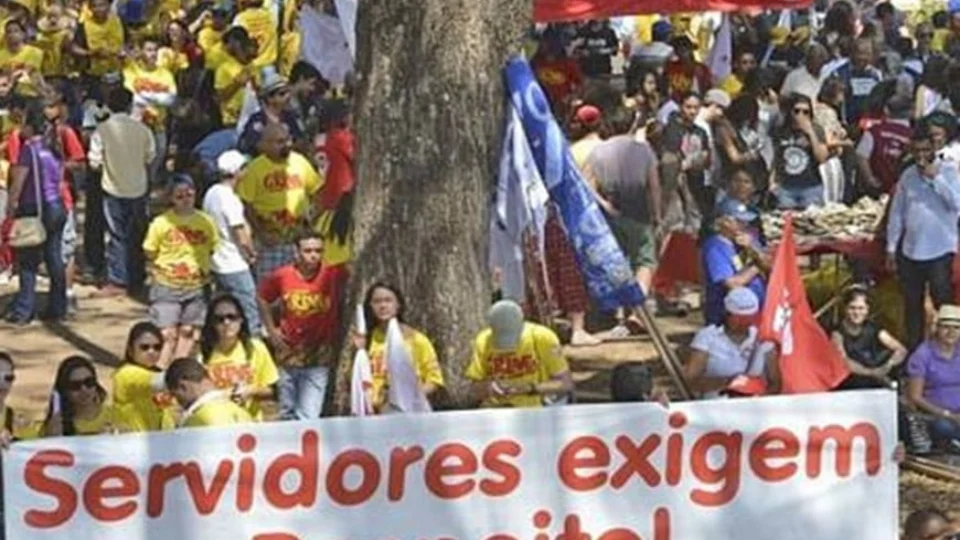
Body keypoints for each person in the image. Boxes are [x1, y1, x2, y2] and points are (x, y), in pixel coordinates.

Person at [583, 106, 661, 333]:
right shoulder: (644, 150)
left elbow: (586, 185)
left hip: (609, 215)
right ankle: (638, 311)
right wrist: (657, 215)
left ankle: (617, 314)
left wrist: (604, 204)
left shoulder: (598, 152)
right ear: (633, 124)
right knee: (645, 261)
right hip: (639, 212)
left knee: (618, 261)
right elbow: (654, 186)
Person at [258, 230, 347, 420]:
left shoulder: (332, 273)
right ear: (296, 252)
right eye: (307, 250)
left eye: (318, 250)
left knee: (309, 413)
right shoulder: (282, 276)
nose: (313, 255)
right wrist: (272, 331)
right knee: (287, 410)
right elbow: (262, 298)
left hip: (319, 351)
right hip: (288, 348)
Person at [886, 125, 960, 350]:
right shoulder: (907, 176)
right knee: (912, 305)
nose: (920, 156)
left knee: (942, 302)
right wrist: (891, 247)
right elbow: (897, 212)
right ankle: (916, 351)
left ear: (933, 149)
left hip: (940, 249)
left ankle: (951, 350)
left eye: (925, 150)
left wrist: (935, 179)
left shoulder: (948, 171)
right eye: (916, 151)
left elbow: (956, 203)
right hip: (911, 250)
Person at [143, 175, 220, 364]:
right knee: (166, 333)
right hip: (166, 284)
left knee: (188, 331)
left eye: (189, 195)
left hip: (197, 285)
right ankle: (160, 370)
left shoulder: (206, 221)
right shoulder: (161, 223)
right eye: (179, 196)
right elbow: (150, 251)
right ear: (171, 198)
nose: (185, 199)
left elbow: (213, 247)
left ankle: (179, 369)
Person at [89, 87, 156, 298]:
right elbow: (150, 157)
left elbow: (94, 161)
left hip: (112, 189)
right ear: (129, 106)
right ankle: (137, 277)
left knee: (117, 235)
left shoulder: (102, 130)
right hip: (138, 188)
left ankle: (119, 279)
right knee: (137, 234)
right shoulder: (142, 130)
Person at [4, 104, 68, 324]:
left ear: (29, 126)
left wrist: (10, 206)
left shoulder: (29, 149)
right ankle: (58, 307)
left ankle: (24, 310)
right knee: (54, 258)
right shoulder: (54, 146)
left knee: (28, 262)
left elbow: (19, 182)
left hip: (34, 209)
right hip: (57, 206)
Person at [237, 122, 322, 280]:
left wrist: (313, 219)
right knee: (269, 287)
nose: (286, 145)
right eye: (279, 142)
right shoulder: (255, 169)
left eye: (287, 140)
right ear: (264, 145)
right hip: (270, 242)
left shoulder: (300, 162)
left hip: (298, 239)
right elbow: (246, 205)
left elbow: (317, 192)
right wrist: (261, 233)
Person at [466, 299, 573, 408]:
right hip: (496, 409)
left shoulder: (543, 337)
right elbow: (474, 389)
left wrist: (529, 388)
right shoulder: (483, 340)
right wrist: (489, 388)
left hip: (533, 408)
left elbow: (565, 383)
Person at [357, 283, 444, 414]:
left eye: (388, 300)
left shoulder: (416, 339)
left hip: (410, 412)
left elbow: (434, 380)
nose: (383, 306)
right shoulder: (367, 340)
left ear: (398, 305)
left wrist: (410, 397)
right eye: (377, 301)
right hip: (373, 415)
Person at [684, 287, 780, 399]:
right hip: (716, 405)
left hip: (755, 405)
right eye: (739, 318)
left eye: (748, 318)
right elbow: (691, 380)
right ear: (727, 314)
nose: (744, 323)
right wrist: (729, 383)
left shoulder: (763, 339)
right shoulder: (707, 337)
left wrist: (757, 396)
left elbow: (775, 384)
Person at [203, 150, 260, 333]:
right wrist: (250, 252)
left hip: (216, 262)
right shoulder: (229, 198)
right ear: (238, 171)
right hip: (234, 263)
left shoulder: (211, 193)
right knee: (248, 307)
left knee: (221, 307)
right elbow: (239, 230)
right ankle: (253, 343)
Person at [199, 294, 279, 421]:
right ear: (212, 324)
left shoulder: (255, 348)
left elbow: (274, 391)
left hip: (249, 425)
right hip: (215, 422)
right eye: (219, 319)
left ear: (241, 319)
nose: (226, 323)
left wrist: (250, 391)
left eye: (232, 317)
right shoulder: (202, 353)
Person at [700, 205, 768, 326]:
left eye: (746, 222)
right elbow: (732, 284)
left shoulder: (748, 240)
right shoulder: (715, 247)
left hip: (755, 313)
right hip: (728, 317)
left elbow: (769, 264)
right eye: (739, 221)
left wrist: (753, 247)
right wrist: (757, 267)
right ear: (724, 223)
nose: (745, 225)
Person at [123, 35, 177, 186]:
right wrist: (158, 96)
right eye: (149, 50)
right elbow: (133, 97)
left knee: (156, 159)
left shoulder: (165, 74)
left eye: (155, 50)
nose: (153, 54)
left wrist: (146, 95)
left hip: (158, 125)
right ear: (141, 51)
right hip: (138, 126)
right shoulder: (131, 70)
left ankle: (147, 189)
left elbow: (171, 100)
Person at [831, 286, 907, 389]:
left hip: (876, 380)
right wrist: (871, 373)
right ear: (845, 309)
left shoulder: (874, 328)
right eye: (852, 308)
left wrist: (887, 365)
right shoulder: (837, 333)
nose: (857, 313)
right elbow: (843, 361)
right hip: (851, 384)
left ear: (867, 310)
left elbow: (901, 349)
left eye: (861, 308)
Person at [907, 305, 960, 452]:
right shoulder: (923, 355)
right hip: (936, 415)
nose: (951, 332)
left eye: (956, 328)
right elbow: (915, 397)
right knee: (943, 427)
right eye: (946, 327)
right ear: (937, 328)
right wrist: (948, 414)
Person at [111, 322, 175, 431]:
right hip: (132, 439)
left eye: (157, 347)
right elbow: (165, 380)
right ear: (130, 350)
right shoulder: (126, 373)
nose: (151, 351)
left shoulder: (157, 372)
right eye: (144, 347)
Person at [43, 356, 128, 436]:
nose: (84, 390)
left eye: (89, 382)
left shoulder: (115, 414)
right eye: (75, 386)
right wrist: (52, 437)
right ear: (64, 391)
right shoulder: (56, 424)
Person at [771, 93, 829, 209]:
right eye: (797, 111)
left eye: (805, 112)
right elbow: (775, 158)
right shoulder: (781, 131)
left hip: (810, 187)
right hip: (786, 187)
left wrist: (810, 133)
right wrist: (772, 181)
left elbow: (821, 158)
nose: (801, 115)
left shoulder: (817, 130)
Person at [661, 92, 711, 225]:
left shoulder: (701, 132)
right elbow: (669, 158)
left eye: (696, 108)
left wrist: (699, 160)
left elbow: (706, 159)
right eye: (688, 107)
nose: (692, 111)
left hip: (696, 186)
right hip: (675, 189)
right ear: (680, 107)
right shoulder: (672, 129)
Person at [165, 357, 253, 428]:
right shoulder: (243, 413)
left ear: (183, 386)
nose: (178, 403)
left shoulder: (196, 421)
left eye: (176, 396)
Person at [855, 93, 912, 196]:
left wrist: (869, 179)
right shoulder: (913, 136)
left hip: (877, 189)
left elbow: (861, 156)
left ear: (886, 110)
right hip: (902, 190)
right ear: (911, 112)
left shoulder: (874, 131)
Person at [238, 74, 306, 156]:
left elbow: (299, 139)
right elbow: (252, 146)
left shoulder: (290, 117)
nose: (288, 97)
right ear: (269, 99)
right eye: (282, 94)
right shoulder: (257, 121)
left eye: (288, 92)